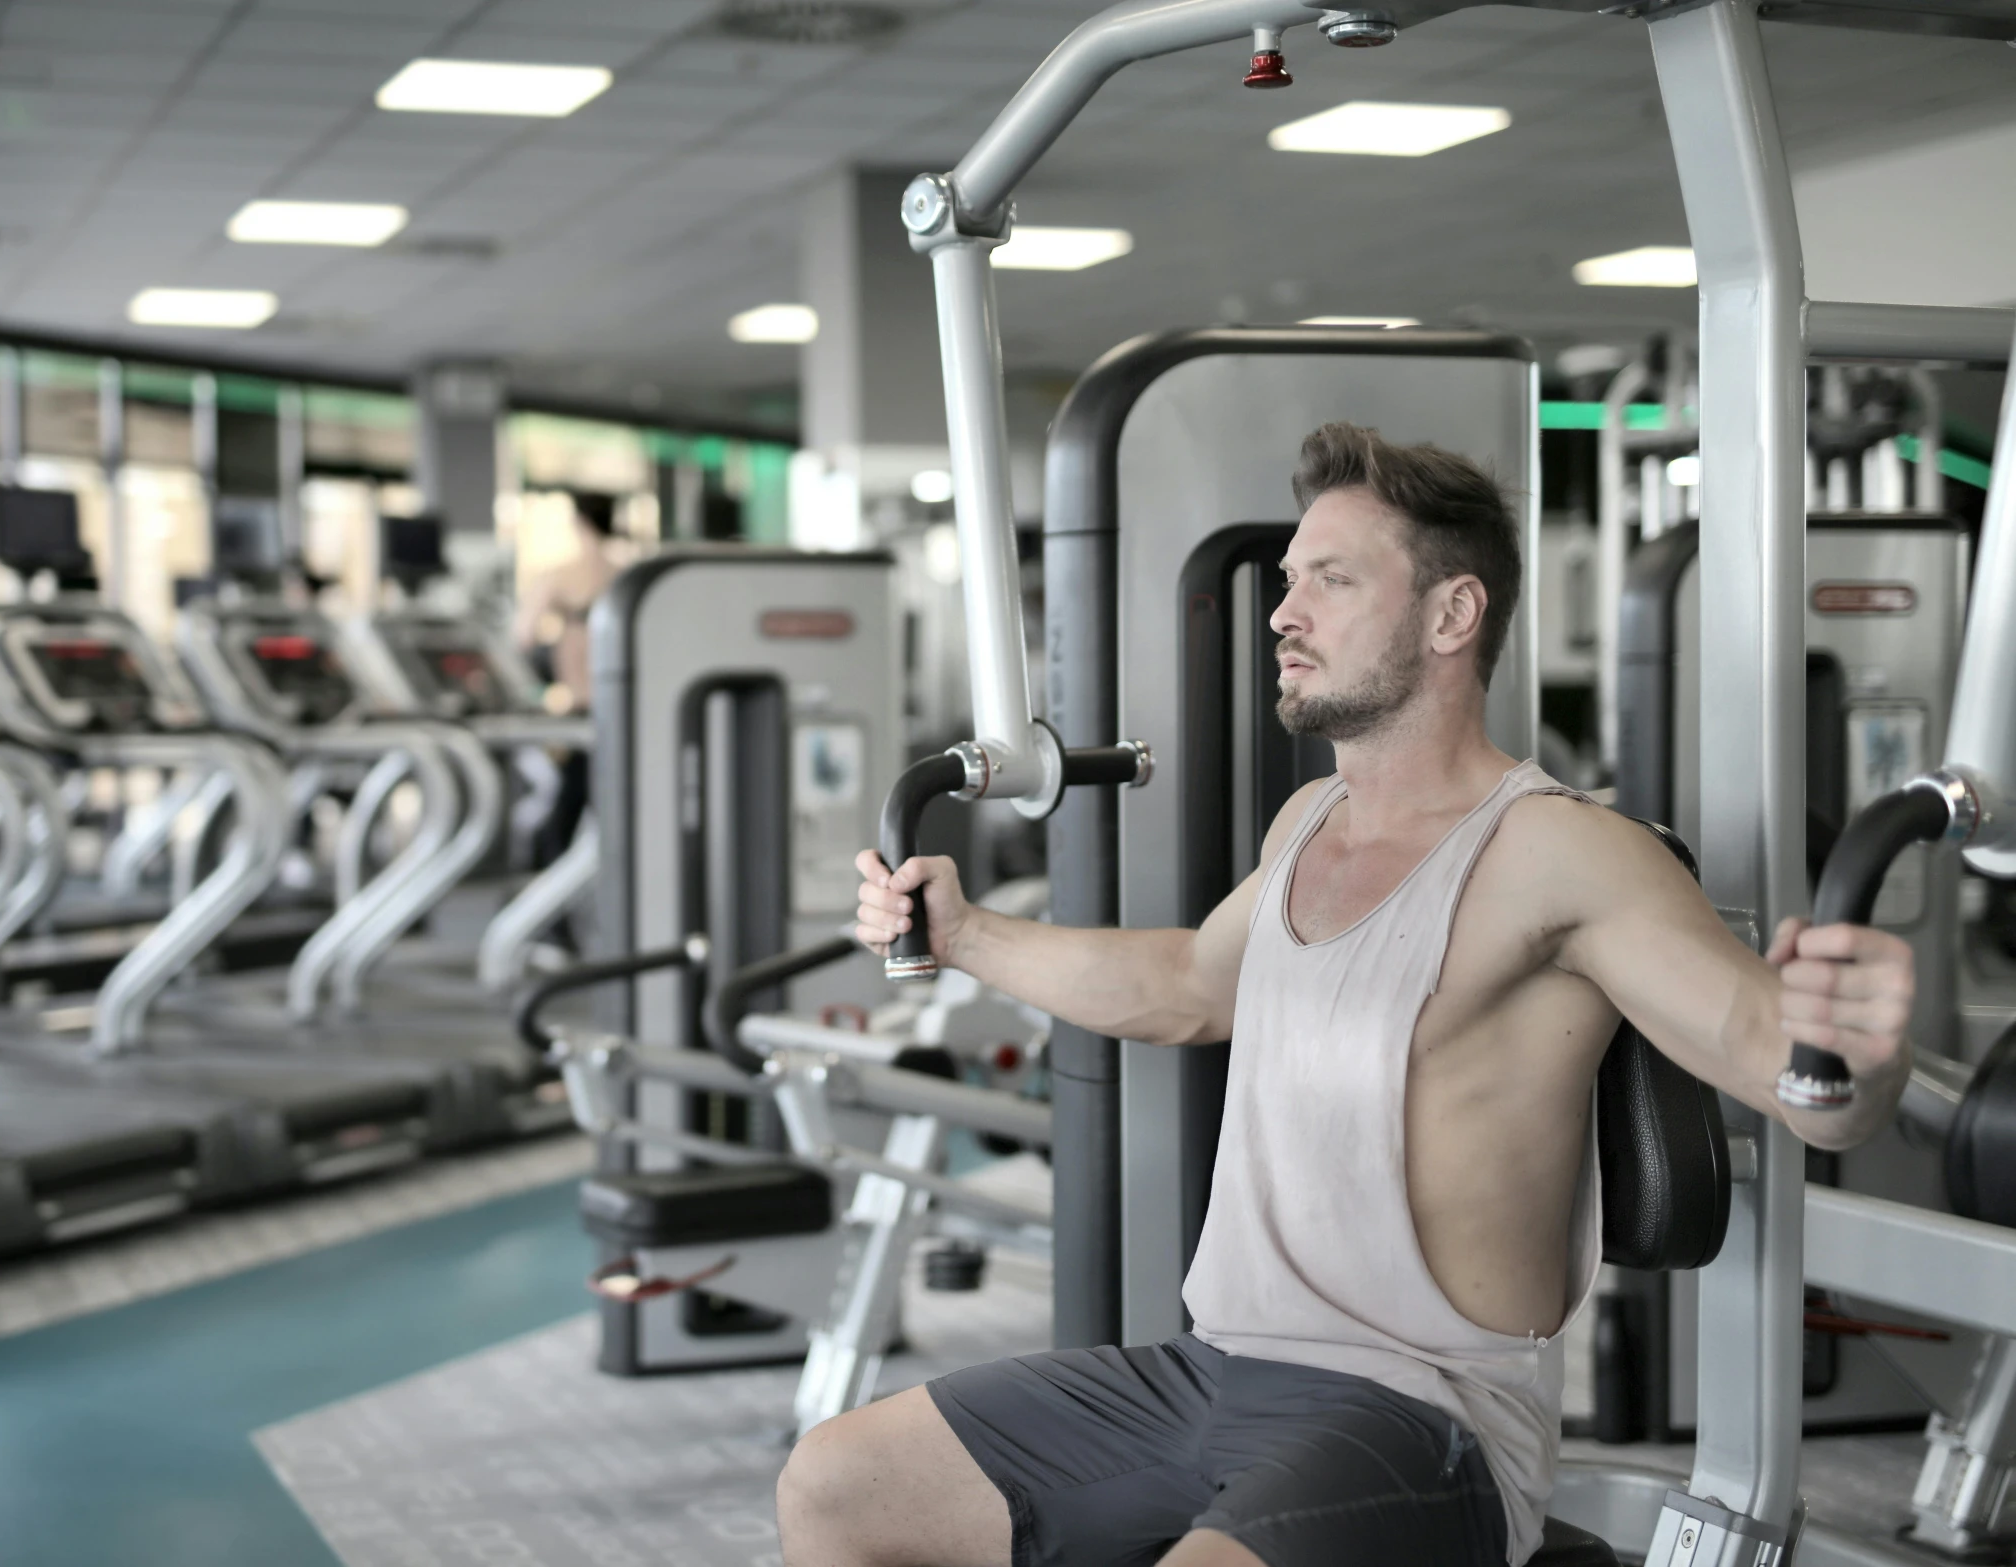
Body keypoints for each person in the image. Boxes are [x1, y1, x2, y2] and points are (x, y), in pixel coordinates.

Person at [785, 422, 1917, 1567]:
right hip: (1214, 1370)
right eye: (1288, 581)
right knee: (838, 1484)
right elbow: (1185, 984)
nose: (1283, 613)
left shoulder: (1561, 851)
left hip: (1423, 1415)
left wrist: (1850, 1056)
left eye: (1329, 580)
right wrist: (966, 932)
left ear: (1450, 616)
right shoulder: (1306, 825)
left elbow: (1773, 1056)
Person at [515, 491, 629, 863]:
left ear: (578, 523)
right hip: (622, 709)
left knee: (569, 806)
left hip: (581, 707)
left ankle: (552, 907)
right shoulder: (626, 576)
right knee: (606, 802)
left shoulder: (560, 575)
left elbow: (523, 636)